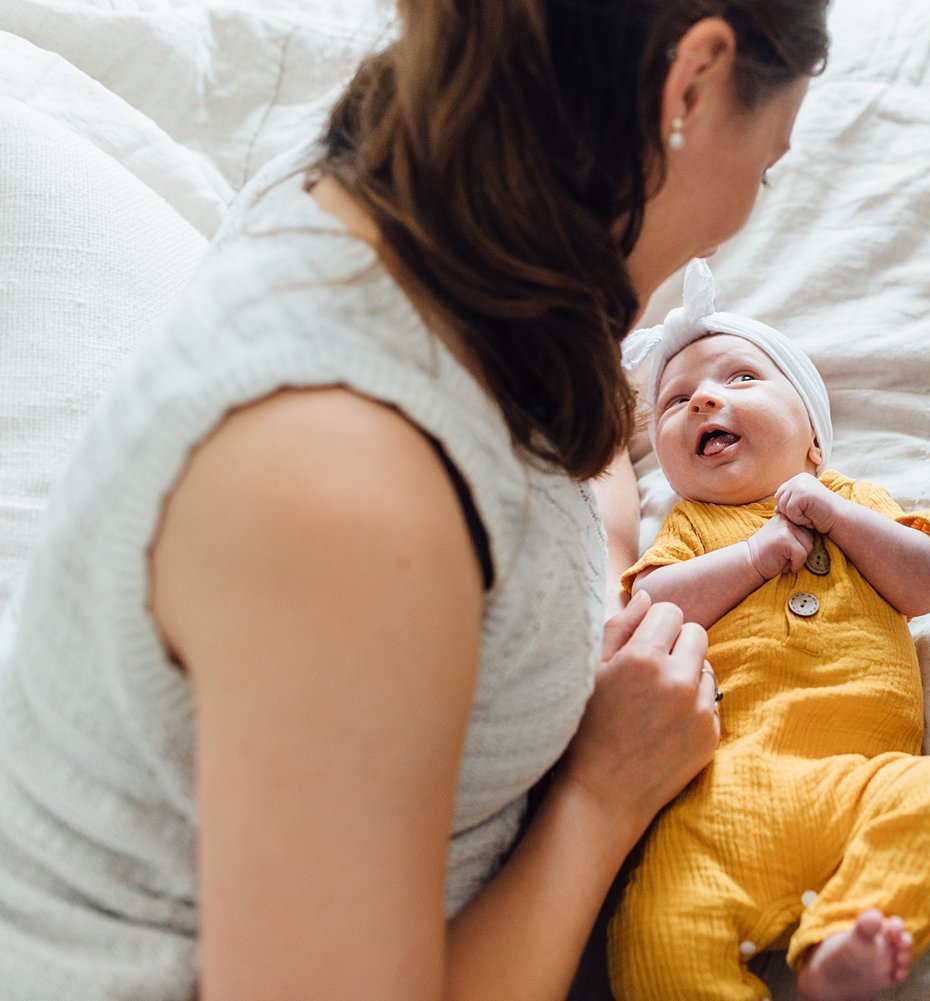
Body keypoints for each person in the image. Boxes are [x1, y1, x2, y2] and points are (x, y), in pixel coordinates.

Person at [0, 2, 831, 998]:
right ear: (689, 84)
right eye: (768, 162)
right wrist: (600, 796)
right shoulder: (343, 496)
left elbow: (547, 474)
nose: (745, 208)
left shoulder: (439, 169)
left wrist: (609, 570)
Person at [606, 260, 930, 1001]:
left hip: (855, 784)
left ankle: (842, 947)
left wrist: (838, 515)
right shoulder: (690, 526)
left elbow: (927, 582)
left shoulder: (855, 498)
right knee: (653, 939)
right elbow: (647, 609)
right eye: (675, 400)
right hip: (716, 800)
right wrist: (751, 557)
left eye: (742, 378)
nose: (705, 400)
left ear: (814, 440)